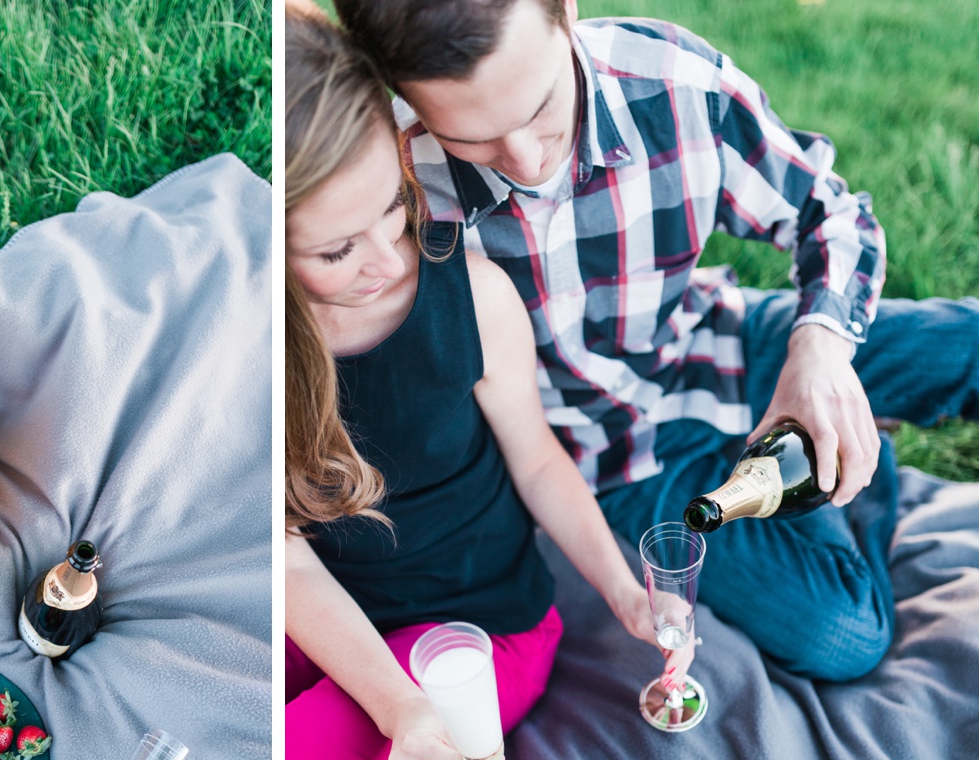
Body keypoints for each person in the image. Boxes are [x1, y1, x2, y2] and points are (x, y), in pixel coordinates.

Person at [333, 0, 979, 683]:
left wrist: (819, 348)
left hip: (722, 339)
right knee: (843, 632)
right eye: (472, 138)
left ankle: (830, 445)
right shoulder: (393, 197)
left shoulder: (677, 85)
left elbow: (830, 212)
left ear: (566, 11)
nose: (524, 161)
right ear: (400, 94)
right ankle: (844, 474)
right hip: (620, 459)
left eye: (540, 107)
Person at [284, 1, 686, 760]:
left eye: (393, 206)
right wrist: (386, 698)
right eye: (336, 250)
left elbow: (538, 460)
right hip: (328, 608)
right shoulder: (262, 349)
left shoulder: (471, 290)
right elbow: (281, 556)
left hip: (469, 632)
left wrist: (620, 591)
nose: (389, 260)